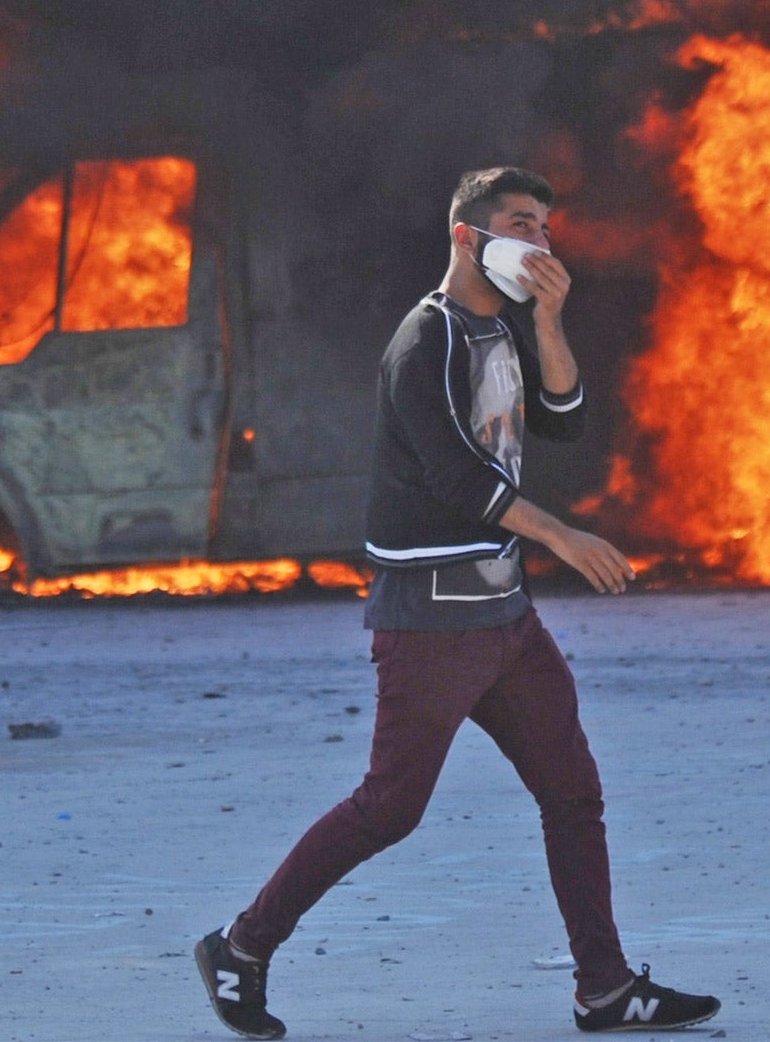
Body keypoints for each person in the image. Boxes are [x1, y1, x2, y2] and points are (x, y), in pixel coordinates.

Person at [197, 167, 721, 1038]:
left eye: (549, 227)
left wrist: (550, 319)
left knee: (573, 793)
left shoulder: (503, 332)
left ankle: (605, 989)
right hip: (432, 620)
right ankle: (241, 948)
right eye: (523, 224)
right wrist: (565, 538)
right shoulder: (424, 341)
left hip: (506, 619)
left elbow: (561, 419)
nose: (542, 243)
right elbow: (456, 478)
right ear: (467, 237)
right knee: (389, 809)